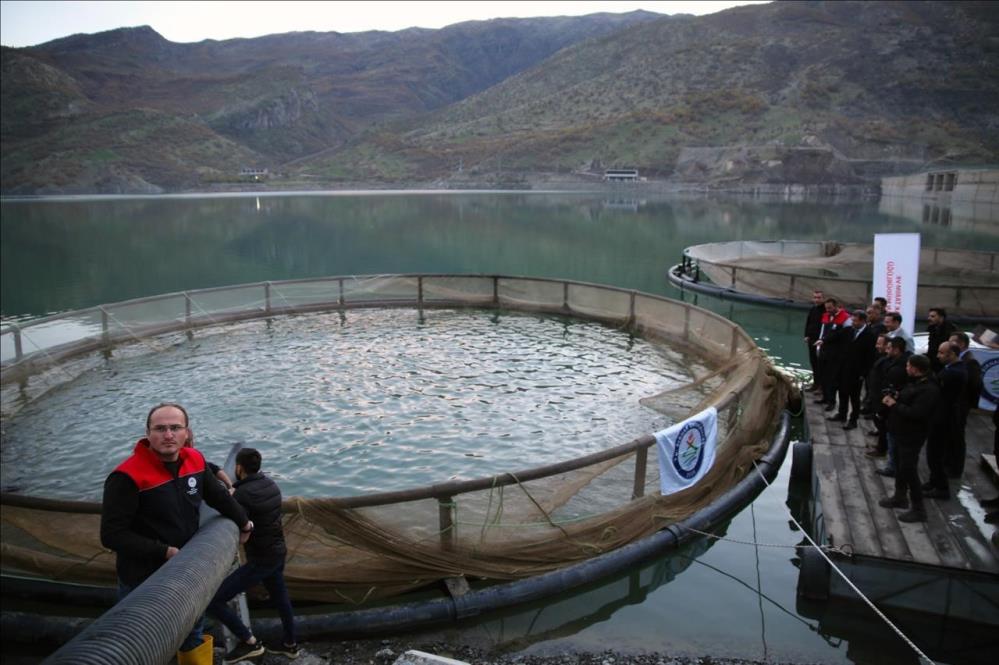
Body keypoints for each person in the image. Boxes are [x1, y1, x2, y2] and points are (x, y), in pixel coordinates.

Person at [101, 403, 253, 664]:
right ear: (148, 434)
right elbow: (112, 535)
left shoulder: (194, 460)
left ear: (186, 432)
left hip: (186, 572)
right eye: (160, 429)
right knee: (141, 645)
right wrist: (164, 551)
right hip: (143, 580)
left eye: (175, 428)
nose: (168, 435)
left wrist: (243, 522)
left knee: (192, 631)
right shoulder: (126, 476)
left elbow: (218, 497)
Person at [207, 448, 298, 664]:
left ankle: (249, 642)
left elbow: (229, 511)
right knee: (281, 598)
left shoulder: (242, 494)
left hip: (261, 559)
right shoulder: (271, 485)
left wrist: (229, 495)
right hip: (278, 552)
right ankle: (290, 644)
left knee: (214, 600)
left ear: (238, 468)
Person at [879, 355, 940, 522]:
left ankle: (919, 509)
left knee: (909, 470)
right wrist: (898, 396)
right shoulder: (915, 383)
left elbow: (917, 413)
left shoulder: (929, 389)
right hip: (900, 432)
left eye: (908, 366)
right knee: (900, 465)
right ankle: (900, 497)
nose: (906, 368)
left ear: (915, 368)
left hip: (912, 435)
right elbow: (909, 398)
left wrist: (894, 404)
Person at [922, 342, 966, 499]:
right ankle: (934, 481)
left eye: (941, 353)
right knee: (934, 452)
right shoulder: (952, 369)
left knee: (935, 454)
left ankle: (941, 487)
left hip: (943, 419)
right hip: (941, 415)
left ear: (952, 354)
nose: (938, 356)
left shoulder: (953, 373)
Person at [829, 309, 876, 430]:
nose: (852, 323)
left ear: (862, 321)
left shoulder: (870, 335)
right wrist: (823, 340)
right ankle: (842, 414)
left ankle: (853, 419)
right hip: (843, 368)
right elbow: (836, 336)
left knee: (854, 397)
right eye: (852, 320)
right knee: (842, 392)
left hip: (857, 372)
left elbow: (870, 357)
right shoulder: (848, 331)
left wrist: (863, 373)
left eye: (855, 321)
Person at [871, 337, 911, 472]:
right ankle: (882, 449)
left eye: (889, 348)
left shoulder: (900, 366)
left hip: (888, 403)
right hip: (881, 398)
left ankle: (890, 462)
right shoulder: (889, 360)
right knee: (883, 427)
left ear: (896, 350)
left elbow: (891, 382)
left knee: (887, 430)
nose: (885, 350)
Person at [948, 331, 983, 478]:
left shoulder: (970, 362)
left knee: (957, 436)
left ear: (961, 344)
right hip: (955, 404)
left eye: (952, 342)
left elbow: (973, 385)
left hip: (961, 405)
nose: (950, 345)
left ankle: (956, 469)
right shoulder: (959, 359)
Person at [814, 298, 851, 412]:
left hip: (836, 353)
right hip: (824, 350)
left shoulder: (845, 318)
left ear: (836, 306)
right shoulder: (826, 316)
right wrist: (820, 344)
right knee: (823, 375)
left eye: (830, 308)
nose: (828, 310)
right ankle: (825, 397)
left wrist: (824, 340)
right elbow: (822, 330)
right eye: (826, 308)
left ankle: (831, 401)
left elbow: (844, 336)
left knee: (832, 378)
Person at [803, 289, 826, 392]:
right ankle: (816, 384)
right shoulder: (813, 309)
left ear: (823, 298)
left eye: (819, 297)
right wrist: (806, 335)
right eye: (815, 297)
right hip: (811, 339)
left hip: (820, 341)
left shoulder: (825, 311)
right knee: (813, 362)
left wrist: (822, 339)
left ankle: (821, 385)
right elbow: (808, 322)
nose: (817, 300)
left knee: (820, 364)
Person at [925, 307, 958, 373]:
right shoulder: (932, 328)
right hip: (933, 364)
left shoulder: (950, 330)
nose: (929, 318)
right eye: (929, 316)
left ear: (941, 317)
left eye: (933, 316)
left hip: (943, 366)